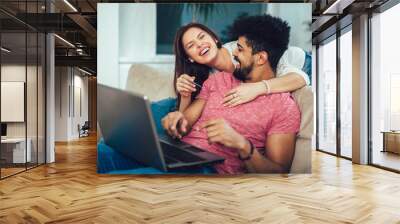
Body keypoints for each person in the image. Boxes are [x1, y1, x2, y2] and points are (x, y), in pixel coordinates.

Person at [162, 15, 301, 174]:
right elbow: (183, 126)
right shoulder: (218, 79)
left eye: (240, 49)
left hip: (207, 171)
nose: (233, 52)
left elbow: (279, 172)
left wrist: (242, 145)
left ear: (261, 58)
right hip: (179, 155)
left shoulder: (284, 106)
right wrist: (175, 119)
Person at [173, 20, 310, 112]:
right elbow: (184, 122)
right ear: (189, 57)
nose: (199, 44)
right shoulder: (208, 77)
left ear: (214, 38)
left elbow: (300, 78)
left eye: (202, 37)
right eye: (191, 45)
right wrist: (185, 95)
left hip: (304, 64)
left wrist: (255, 88)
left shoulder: (244, 50)